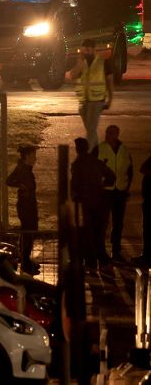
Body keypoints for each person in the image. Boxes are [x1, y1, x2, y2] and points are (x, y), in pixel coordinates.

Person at [71, 136, 115, 271]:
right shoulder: (96, 162)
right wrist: (103, 184)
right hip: (100, 201)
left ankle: (91, 262)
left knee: (87, 233)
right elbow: (112, 177)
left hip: (86, 203)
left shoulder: (77, 164)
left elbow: (74, 184)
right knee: (99, 233)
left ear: (77, 149)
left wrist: (75, 195)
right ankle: (103, 261)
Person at [96, 124, 133, 262]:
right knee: (103, 223)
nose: (108, 135)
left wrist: (126, 188)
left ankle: (116, 251)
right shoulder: (100, 148)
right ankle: (101, 252)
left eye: (111, 133)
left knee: (118, 223)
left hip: (120, 191)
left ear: (117, 135)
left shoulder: (124, 149)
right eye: (107, 132)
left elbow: (130, 170)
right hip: (105, 191)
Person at [68, 39, 114, 149]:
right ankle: (96, 151)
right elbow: (72, 76)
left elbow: (110, 82)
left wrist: (110, 99)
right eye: (84, 49)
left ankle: (88, 154)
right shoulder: (81, 63)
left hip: (97, 101)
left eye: (88, 49)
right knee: (90, 129)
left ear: (94, 49)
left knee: (91, 129)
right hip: (84, 102)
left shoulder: (102, 62)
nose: (86, 52)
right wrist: (79, 63)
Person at [6, 145, 40, 274]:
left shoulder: (25, 168)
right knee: (28, 232)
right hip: (26, 205)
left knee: (29, 232)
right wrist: (21, 185)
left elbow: (10, 180)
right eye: (33, 156)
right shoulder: (23, 169)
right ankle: (25, 262)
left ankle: (26, 259)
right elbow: (9, 181)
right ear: (26, 157)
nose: (35, 158)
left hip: (28, 204)